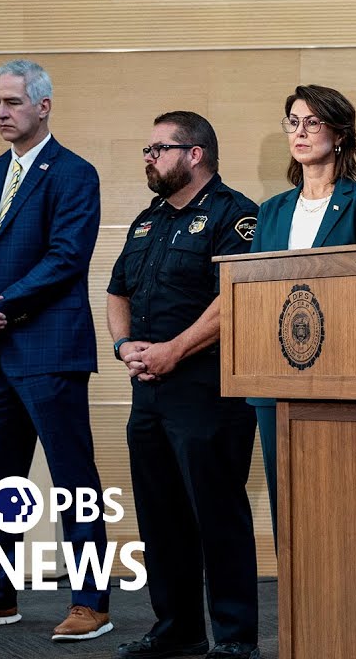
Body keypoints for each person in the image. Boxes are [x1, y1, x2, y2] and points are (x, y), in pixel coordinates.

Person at [0, 59, 112, 641]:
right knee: (0, 482)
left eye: (12, 102)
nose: (2, 113)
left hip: (50, 349)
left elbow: (66, 258)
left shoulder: (74, 173)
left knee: (73, 482)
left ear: (43, 106)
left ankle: (90, 603)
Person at [107, 111, 260, 659]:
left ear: (195, 154)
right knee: (160, 515)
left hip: (207, 390)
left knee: (217, 514)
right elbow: (117, 291)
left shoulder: (235, 215)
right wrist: (124, 346)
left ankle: (236, 637)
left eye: (159, 149)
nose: (149, 158)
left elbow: (234, 298)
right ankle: (178, 629)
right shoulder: (147, 221)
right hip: (149, 392)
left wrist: (174, 349)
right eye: (148, 150)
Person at [249, 84, 356, 544]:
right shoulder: (271, 211)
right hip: (276, 376)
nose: (300, 132)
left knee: (340, 504)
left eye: (312, 122)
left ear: (339, 134)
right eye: (293, 122)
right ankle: (293, 592)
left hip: (341, 375)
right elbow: (255, 291)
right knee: (288, 507)